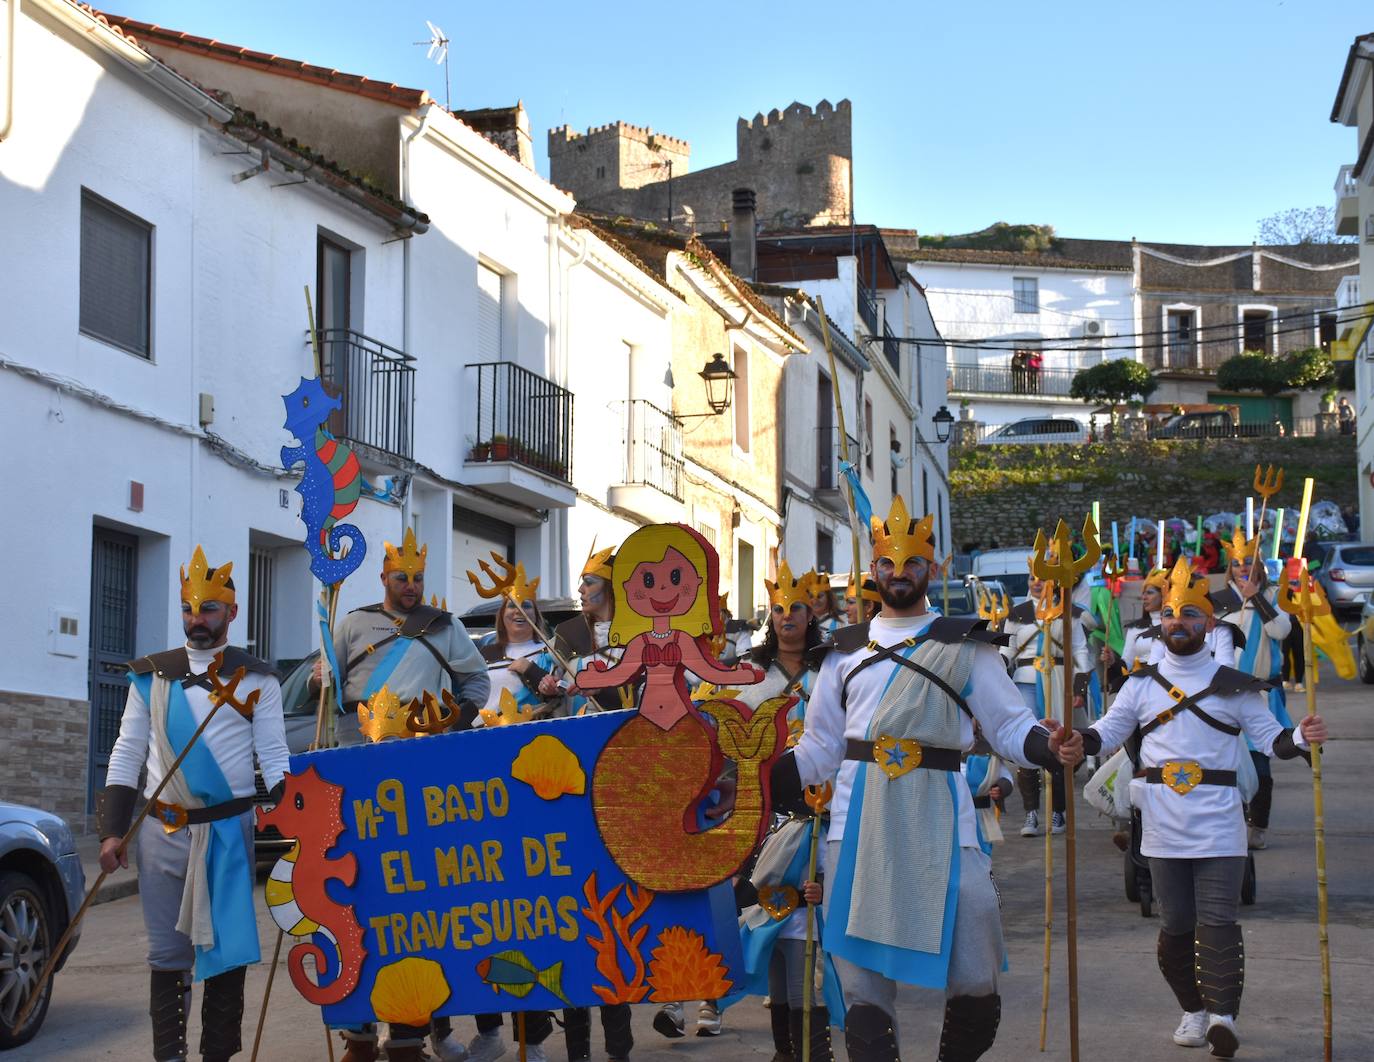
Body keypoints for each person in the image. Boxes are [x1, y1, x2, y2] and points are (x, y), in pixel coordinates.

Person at [769, 496, 1077, 1061]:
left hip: (947, 821)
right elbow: (818, 749)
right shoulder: (842, 653)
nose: (899, 572)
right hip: (856, 828)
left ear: (931, 569)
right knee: (862, 988)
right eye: (888, 563)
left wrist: (1048, 746)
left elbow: (1010, 725)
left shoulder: (966, 644)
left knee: (977, 970)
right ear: (873, 571)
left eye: (912, 563)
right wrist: (758, 781)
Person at [1063, 559, 1326, 1058]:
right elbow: (1107, 733)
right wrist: (1076, 740)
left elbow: (1273, 741)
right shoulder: (1139, 684)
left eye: (1188, 614)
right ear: (1160, 622)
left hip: (1220, 820)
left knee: (1218, 920)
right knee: (1176, 925)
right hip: (1161, 822)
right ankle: (1195, 1008)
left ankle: (1224, 1017)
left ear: (1208, 623)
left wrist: (1302, 736)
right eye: (1169, 614)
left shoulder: (1234, 684)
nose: (1176, 622)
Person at [98, 547, 290, 1062]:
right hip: (162, 834)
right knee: (167, 958)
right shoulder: (152, 677)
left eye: (208, 609)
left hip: (228, 835)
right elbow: (127, 753)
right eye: (188, 608)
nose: (196, 619)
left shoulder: (258, 679)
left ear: (232, 613)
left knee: (225, 957)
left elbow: (274, 758)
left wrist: (289, 811)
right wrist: (111, 832)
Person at [317, 529, 488, 1062]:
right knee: (356, 897)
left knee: (415, 900)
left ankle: (410, 1030)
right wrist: (319, 677)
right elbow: (322, 690)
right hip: (357, 773)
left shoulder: (445, 627)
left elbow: (476, 686)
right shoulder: (350, 624)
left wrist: (449, 725)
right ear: (383, 578)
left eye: (417, 579)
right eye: (400, 578)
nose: (410, 587)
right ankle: (360, 1034)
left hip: (420, 776)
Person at [726, 562, 836, 1061]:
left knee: (813, 921)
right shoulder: (749, 673)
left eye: (796, 607)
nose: (787, 615)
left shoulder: (835, 665)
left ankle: (815, 1044)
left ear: (811, 613)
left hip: (824, 798)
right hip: (769, 803)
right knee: (768, 914)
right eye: (778, 608)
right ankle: (784, 1051)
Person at [1210, 529, 1292, 851]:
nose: (1242, 567)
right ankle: (1233, 822)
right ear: (1229, 566)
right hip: (1223, 693)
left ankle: (1257, 825)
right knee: (1226, 763)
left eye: (1247, 562)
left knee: (1260, 766)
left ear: (1257, 563)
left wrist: (1256, 595)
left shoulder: (1271, 596)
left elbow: (1282, 630)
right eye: (1236, 563)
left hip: (1260, 694)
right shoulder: (1218, 602)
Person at [1001, 558, 1090, 838]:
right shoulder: (1017, 613)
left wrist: (1080, 687)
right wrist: (997, 672)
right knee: (1031, 742)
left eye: (1042, 577)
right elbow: (1008, 650)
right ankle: (1031, 812)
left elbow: (1081, 650)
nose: (1036, 583)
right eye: (1031, 578)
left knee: (1058, 744)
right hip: (1025, 682)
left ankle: (1058, 811)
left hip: (1060, 683)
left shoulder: (1070, 612)